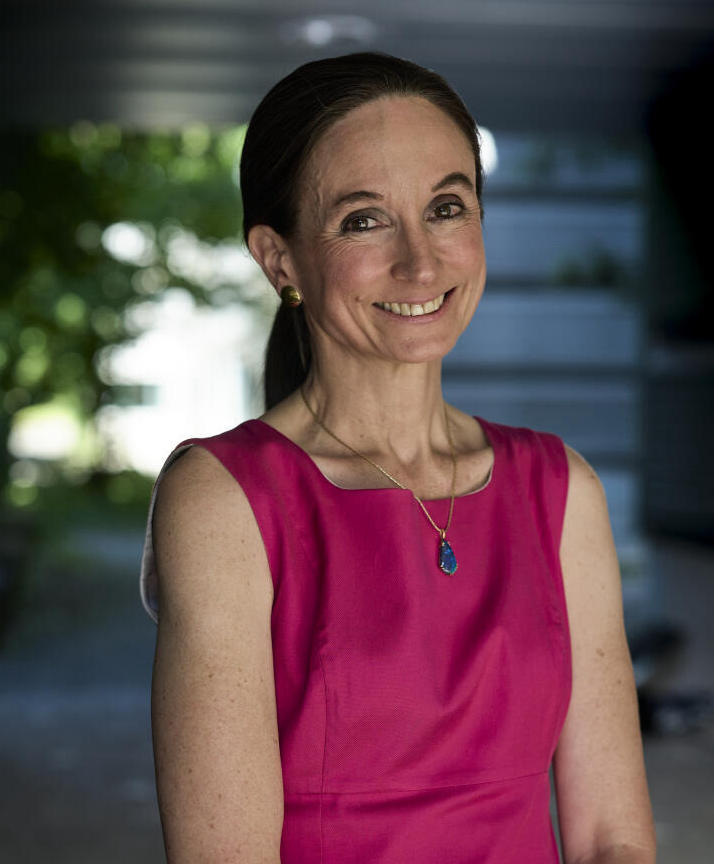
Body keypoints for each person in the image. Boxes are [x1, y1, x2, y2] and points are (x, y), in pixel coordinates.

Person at [140, 52, 656, 864]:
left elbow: (610, 840)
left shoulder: (561, 489)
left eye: (446, 208)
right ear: (280, 260)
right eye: (363, 220)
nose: (421, 263)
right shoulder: (225, 499)